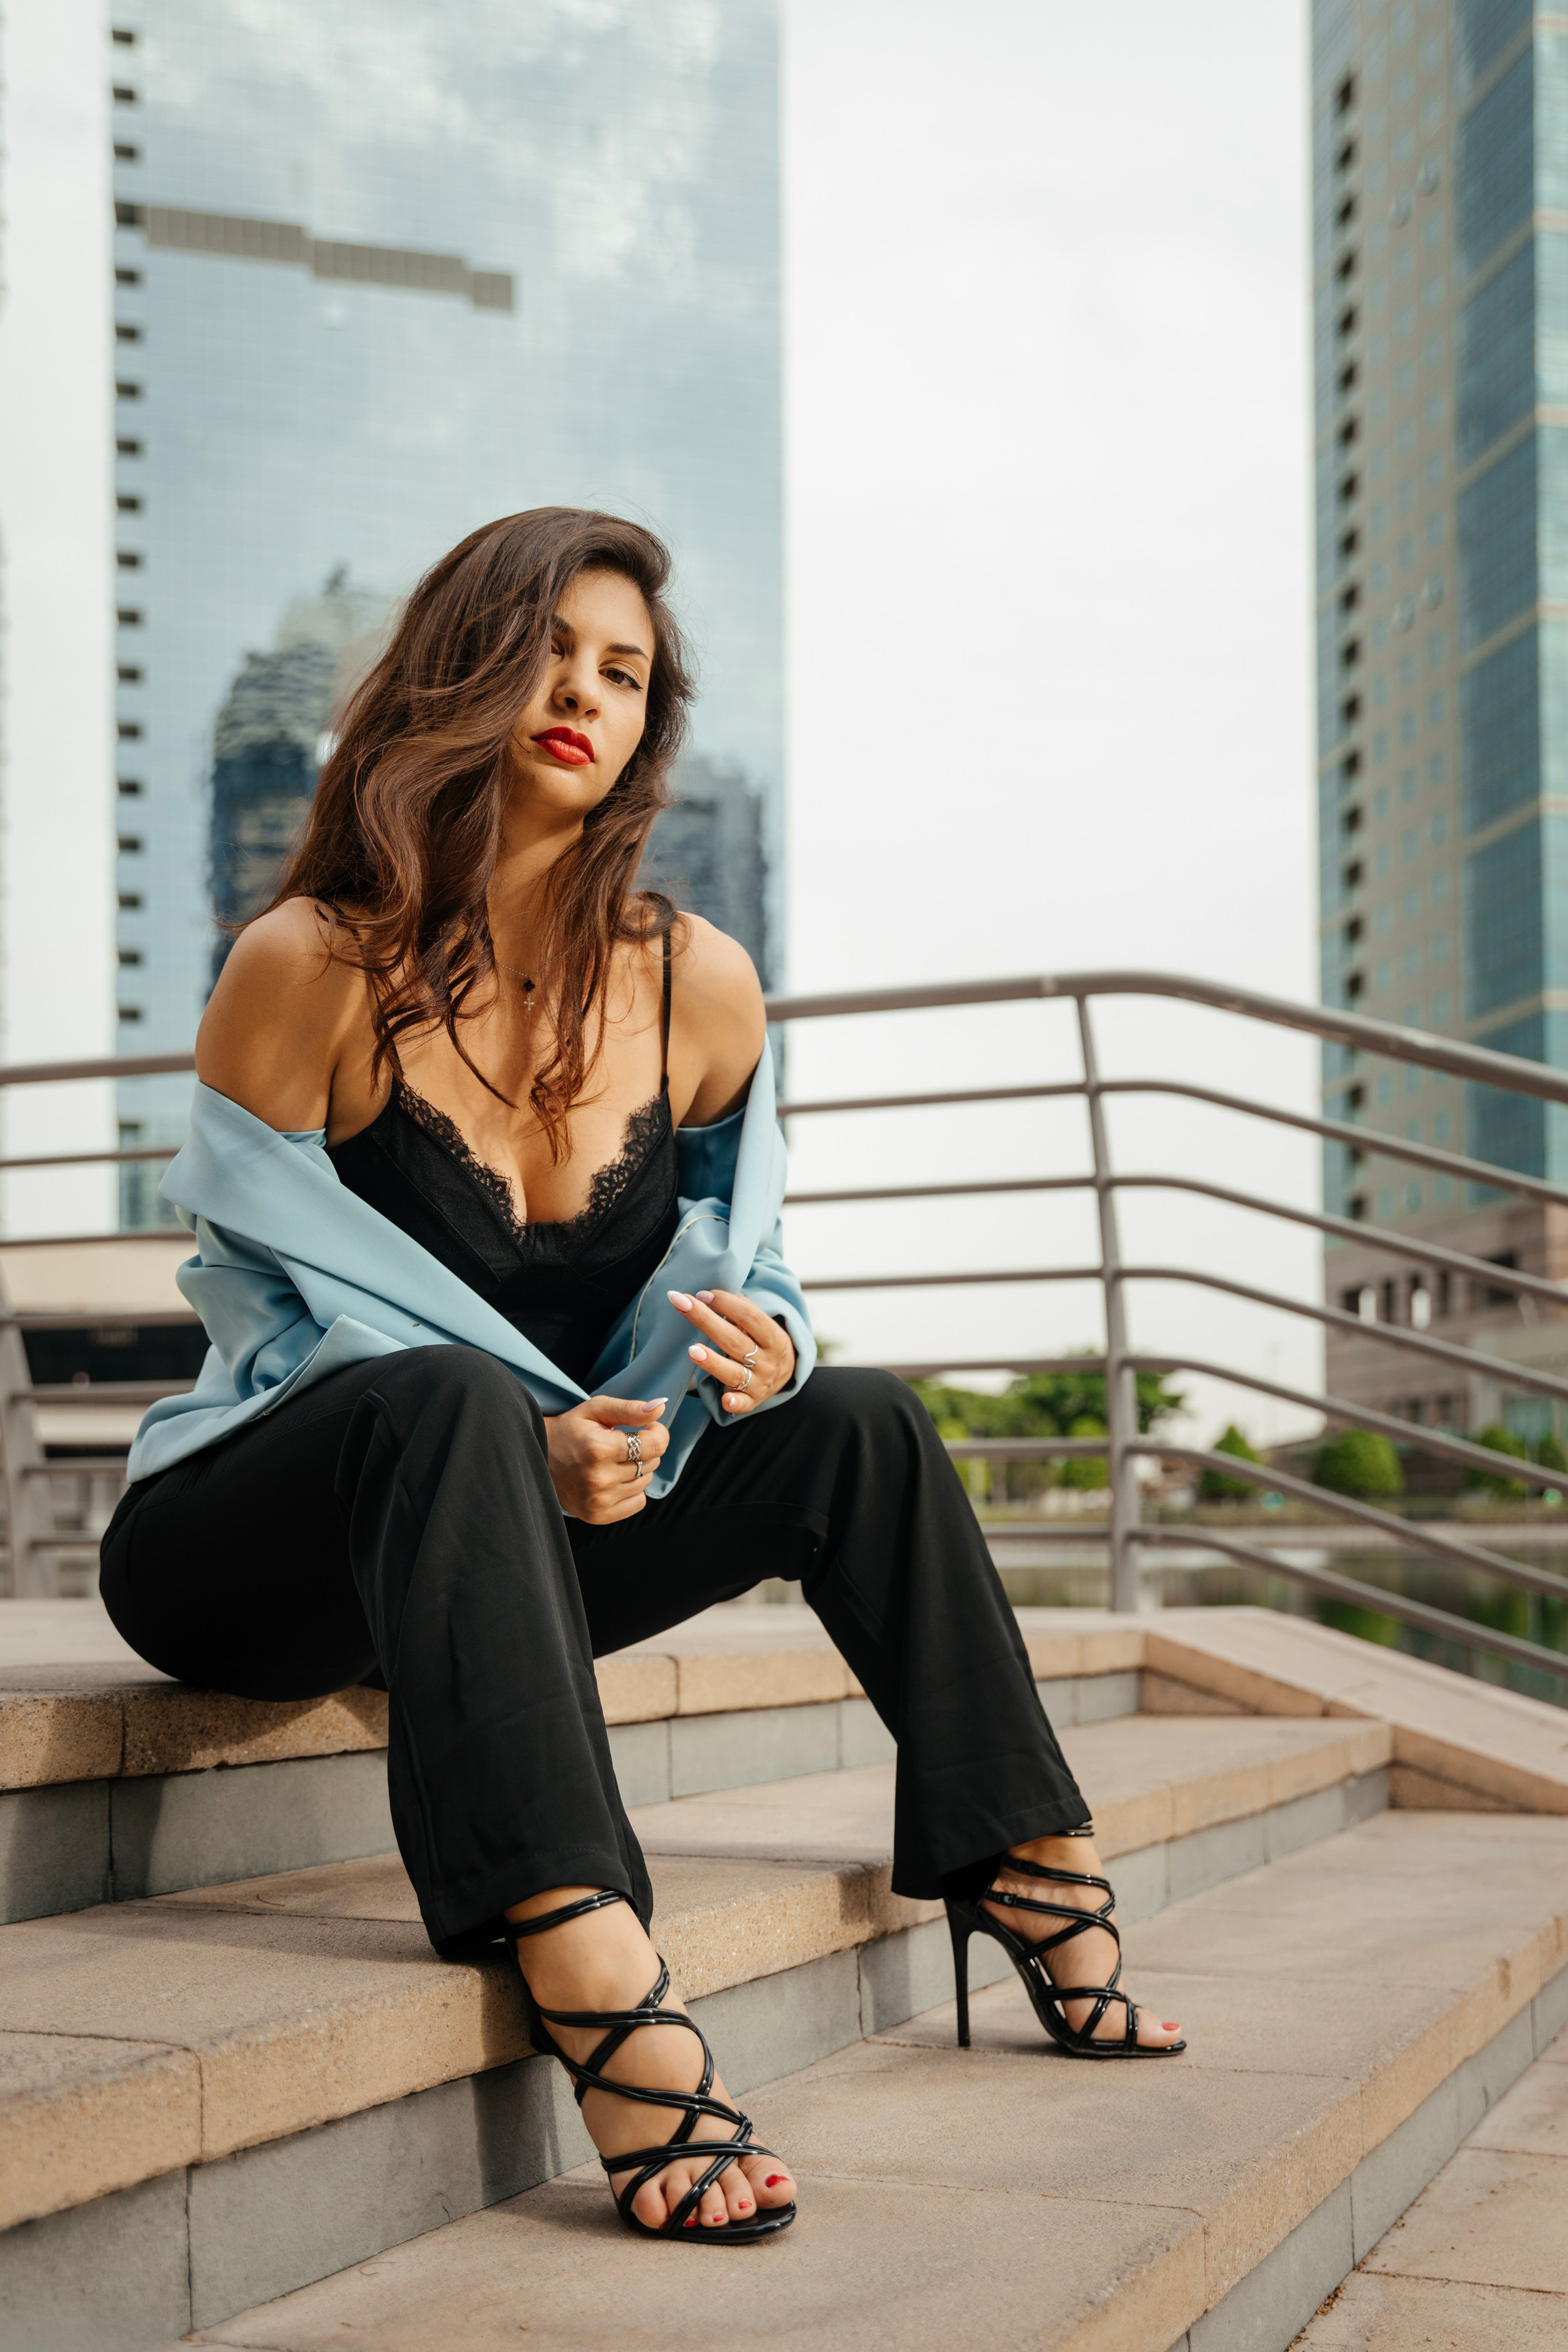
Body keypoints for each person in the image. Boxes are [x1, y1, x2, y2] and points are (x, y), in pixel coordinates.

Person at [99, 508, 1183, 2250]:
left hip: (506, 1553)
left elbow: (750, 1279)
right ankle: (599, 1974)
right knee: (447, 1399)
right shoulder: (309, 961)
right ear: (464, 663)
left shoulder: (699, 984)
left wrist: (762, 1361)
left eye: (625, 672)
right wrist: (536, 1448)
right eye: (551, 648)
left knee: (861, 1425)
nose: (584, 693)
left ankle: (1021, 1855)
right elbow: (268, 1315)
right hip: (259, 1549)